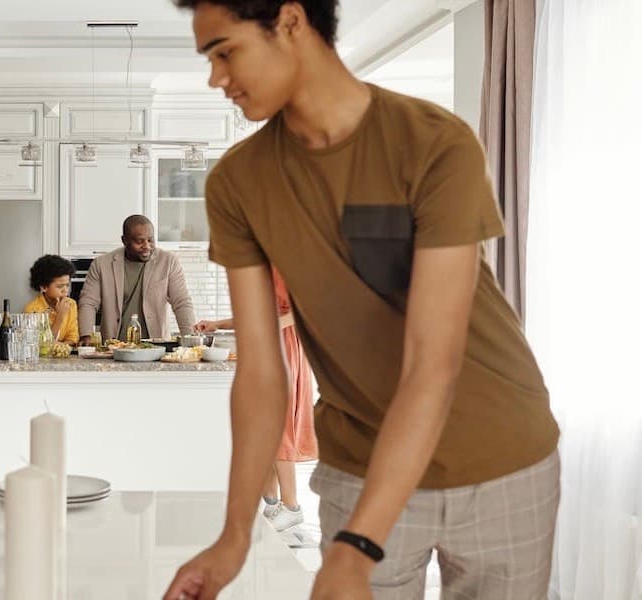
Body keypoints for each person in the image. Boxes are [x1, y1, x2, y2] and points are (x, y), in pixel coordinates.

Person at [165, 2, 560, 600]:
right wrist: (235, 535)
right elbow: (263, 374)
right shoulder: (237, 183)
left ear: (291, 21)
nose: (215, 78)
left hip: (501, 458)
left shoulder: (433, 144)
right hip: (360, 460)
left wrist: (358, 546)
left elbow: (433, 362)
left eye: (225, 51)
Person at [195, 268, 317, 533]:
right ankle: (273, 504)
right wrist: (219, 324)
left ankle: (292, 506)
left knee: (279, 427)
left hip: (285, 348)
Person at [77, 215, 196, 344]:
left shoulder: (168, 261)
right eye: (140, 242)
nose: (147, 246)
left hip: (156, 346)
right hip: (114, 347)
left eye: (150, 240)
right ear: (124, 241)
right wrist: (86, 334)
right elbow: (88, 302)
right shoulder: (101, 264)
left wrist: (191, 338)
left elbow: (181, 302)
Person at [24, 254, 80, 345]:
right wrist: (60, 316)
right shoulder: (32, 310)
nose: (65, 290)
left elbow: (73, 338)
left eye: (67, 285)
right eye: (60, 286)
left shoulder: (71, 304)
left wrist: (61, 347)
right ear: (44, 287)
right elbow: (42, 345)